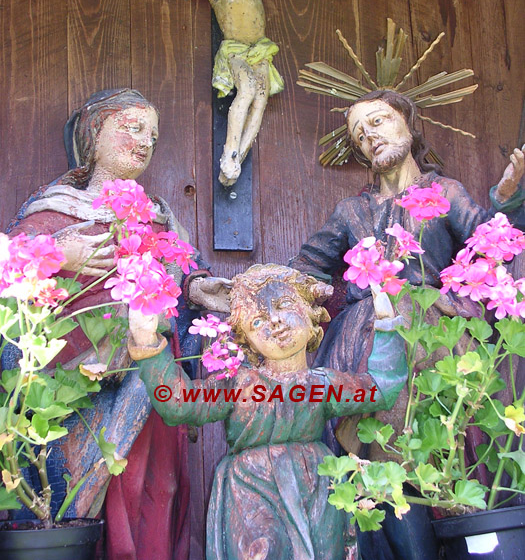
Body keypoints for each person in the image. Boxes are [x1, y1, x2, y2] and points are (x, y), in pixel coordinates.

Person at [288, 88, 524, 560]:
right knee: (373, 457)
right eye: (358, 133)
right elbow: (308, 268)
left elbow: (492, 245)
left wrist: (505, 199)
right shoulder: (351, 212)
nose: (369, 136)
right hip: (363, 340)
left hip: (435, 339)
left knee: (437, 452)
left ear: (408, 125)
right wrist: (305, 301)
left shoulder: (445, 192)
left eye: (378, 121)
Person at [4, 88, 230, 560]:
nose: (144, 141)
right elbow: (11, 272)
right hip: (75, 379)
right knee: (80, 482)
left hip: (148, 373)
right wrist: (61, 254)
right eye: (130, 127)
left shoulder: (158, 217)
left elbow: (180, 271)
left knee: (155, 485)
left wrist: (196, 289)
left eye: (152, 133)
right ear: (93, 136)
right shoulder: (55, 210)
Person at [126, 263, 407, 560]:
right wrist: (150, 348)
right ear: (246, 339)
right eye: (257, 322)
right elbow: (178, 404)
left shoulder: (320, 385)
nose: (275, 323)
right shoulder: (236, 386)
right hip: (251, 488)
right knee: (261, 551)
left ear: (310, 313)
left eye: (284, 305)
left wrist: (387, 327)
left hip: (316, 484)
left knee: (324, 550)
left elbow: (380, 389)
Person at [137, 0, 327, 186]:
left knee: (261, 99)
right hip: (235, 50)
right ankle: (229, 151)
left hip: (259, 48)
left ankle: (238, 156)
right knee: (247, 92)